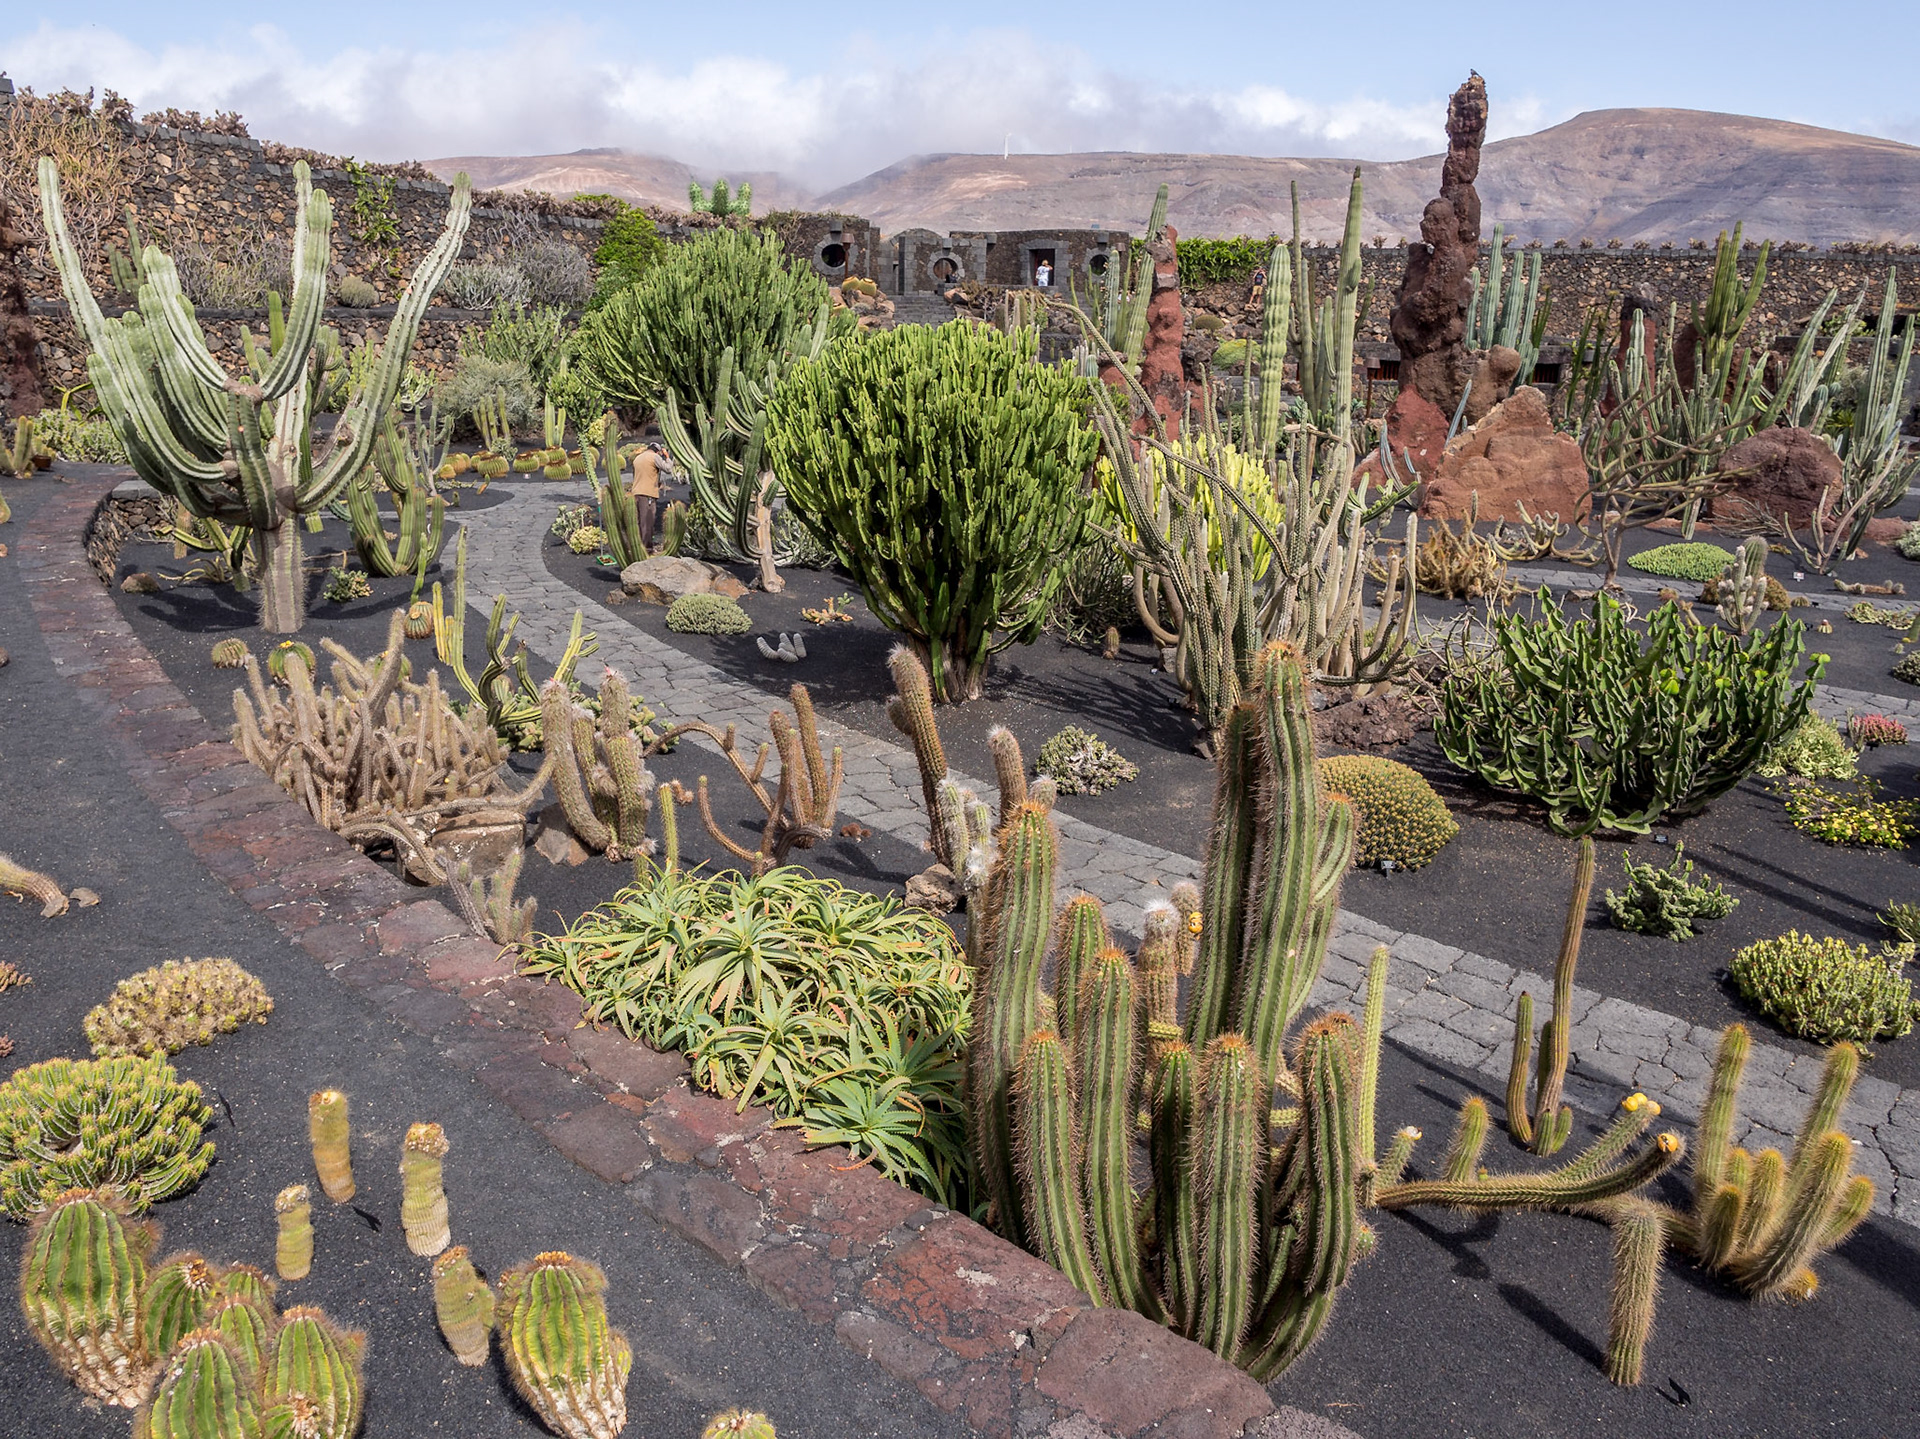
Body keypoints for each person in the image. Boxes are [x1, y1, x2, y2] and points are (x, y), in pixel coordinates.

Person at [629, 442, 669, 551]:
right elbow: (668, 469)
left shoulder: (638, 458)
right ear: (657, 451)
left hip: (636, 492)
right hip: (648, 494)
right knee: (648, 520)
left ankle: (638, 546)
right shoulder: (654, 457)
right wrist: (667, 457)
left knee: (639, 520)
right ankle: (647, 548)